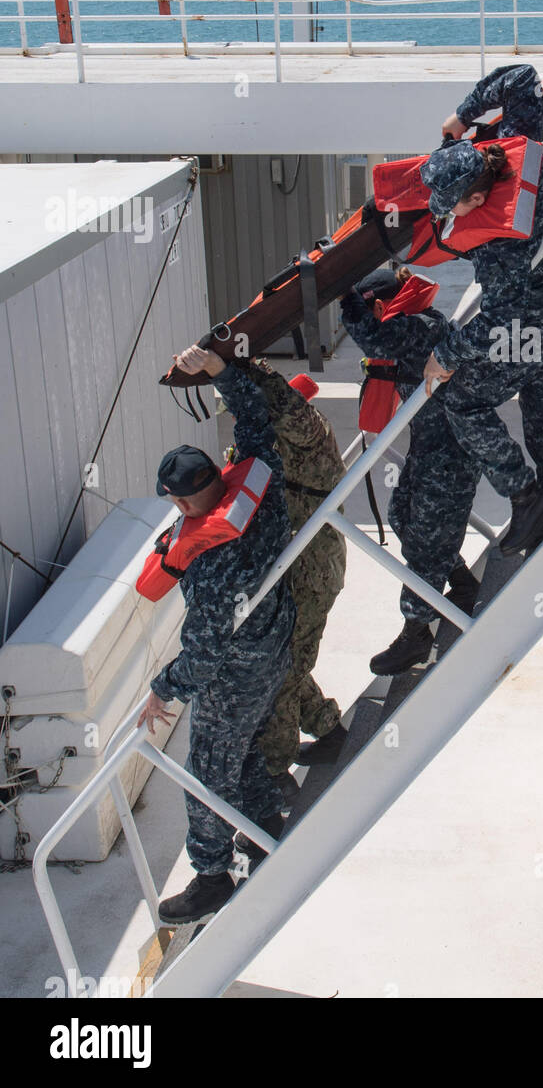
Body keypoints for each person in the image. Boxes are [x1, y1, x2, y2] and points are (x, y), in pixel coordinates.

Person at [137, 348, 296, 925]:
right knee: (245, 746)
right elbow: (255, 424)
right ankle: (264, 827)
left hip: (236, 675)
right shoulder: (263, 488)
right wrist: (223, 372)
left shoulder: (211, 562)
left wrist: (162, 688)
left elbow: (203, 657)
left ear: (180, 502)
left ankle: (210, 878)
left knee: (206, 770)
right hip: (275, 650)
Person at [421, 63, 543, 558]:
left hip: (532, 326)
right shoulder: (519, 156)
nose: (447, 213)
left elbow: (499, 318)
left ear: (477, 196)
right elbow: (521, 78)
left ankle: (524, 494)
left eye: (452, 205)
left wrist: (447, 356)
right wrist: (464, 112)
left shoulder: (499, 242)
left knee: (461, 400)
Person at [339, 267, 482, 675]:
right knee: (402, 514)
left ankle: (415, 634)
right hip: (432, 446)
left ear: (382, 307)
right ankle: (462, 581)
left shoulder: (417, 327)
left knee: (425, 538)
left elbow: (373, 336)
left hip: (452, 452)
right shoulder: (416, 326)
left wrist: (343, 297)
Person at [237, 361, 347, 779]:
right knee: (287, 662)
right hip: (291, 568)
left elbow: (288, 411)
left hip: (311, 571)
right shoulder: (274, 441)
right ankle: (330, 732)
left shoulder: (308, 433)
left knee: (281, 672)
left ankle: (275, 777)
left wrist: (252, 372)